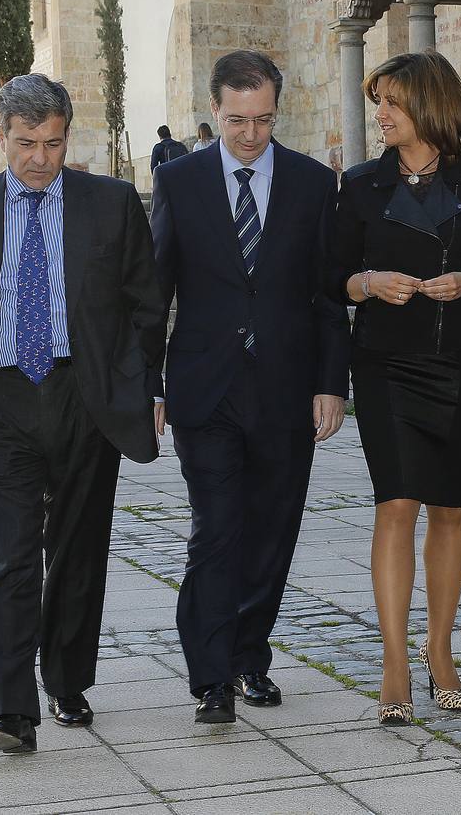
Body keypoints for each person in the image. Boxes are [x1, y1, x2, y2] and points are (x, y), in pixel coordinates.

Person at [0, 74, 166, 754]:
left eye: (52, 143)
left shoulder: (110, 204)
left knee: (80, 551)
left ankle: (67, 680)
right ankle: (11, 710)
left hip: (84, 399)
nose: (39, 158)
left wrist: (146, 390)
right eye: (25, 143)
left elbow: (146, 306)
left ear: (67, 136)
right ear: (0, 135)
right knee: (12, 554)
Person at [151, 50, 350, 724]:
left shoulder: (311, 184)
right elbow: (157, 292)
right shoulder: (179, 183)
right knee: (216, 531)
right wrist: (150, 385)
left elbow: (327, 296)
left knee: (271, 532)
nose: (250, 134)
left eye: (263, 120)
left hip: (287, 388)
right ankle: (212, 677)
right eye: (237, 120)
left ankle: (248, 656)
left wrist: (332, 384)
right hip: (205, 390)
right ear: (214, 111)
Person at [330, 51, 461, 726]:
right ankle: (392, 662)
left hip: (456, 362)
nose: (378, 114)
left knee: (449, 509)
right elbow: (332, 277)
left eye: (390, 103)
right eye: (377, 101)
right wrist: (368, 283)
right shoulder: (360, 186)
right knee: (396, 505)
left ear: (428, 106)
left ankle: (440, 651)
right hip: (383, 363)